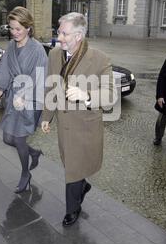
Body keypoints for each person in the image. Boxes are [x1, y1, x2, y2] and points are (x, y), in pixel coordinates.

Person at [41, 12, 117, 227]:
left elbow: (111, 96)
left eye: (64, 33)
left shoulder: (100, 59)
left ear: (78, 36)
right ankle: (82, 186)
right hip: (64, 127)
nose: (59, 37)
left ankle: (71, 209)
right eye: (59, 32)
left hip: (85, 127)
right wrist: (47, 116)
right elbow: (51, 87)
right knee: (72, 165)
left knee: (72, 170)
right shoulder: (54, 54)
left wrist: (87, 96)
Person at [0, 6, 47, 194]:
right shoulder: (11, 46)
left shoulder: (38, 50)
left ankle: (25, 174)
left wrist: (24, 97)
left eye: (18, 29)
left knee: (19, 138)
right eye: (11, 28)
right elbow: (5, 68)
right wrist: (0, 88)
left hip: (29, 100)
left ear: (28, 28)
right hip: (13, 97)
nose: (14, 33)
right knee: (8, 138)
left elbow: (41, 79)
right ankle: (33, 153)